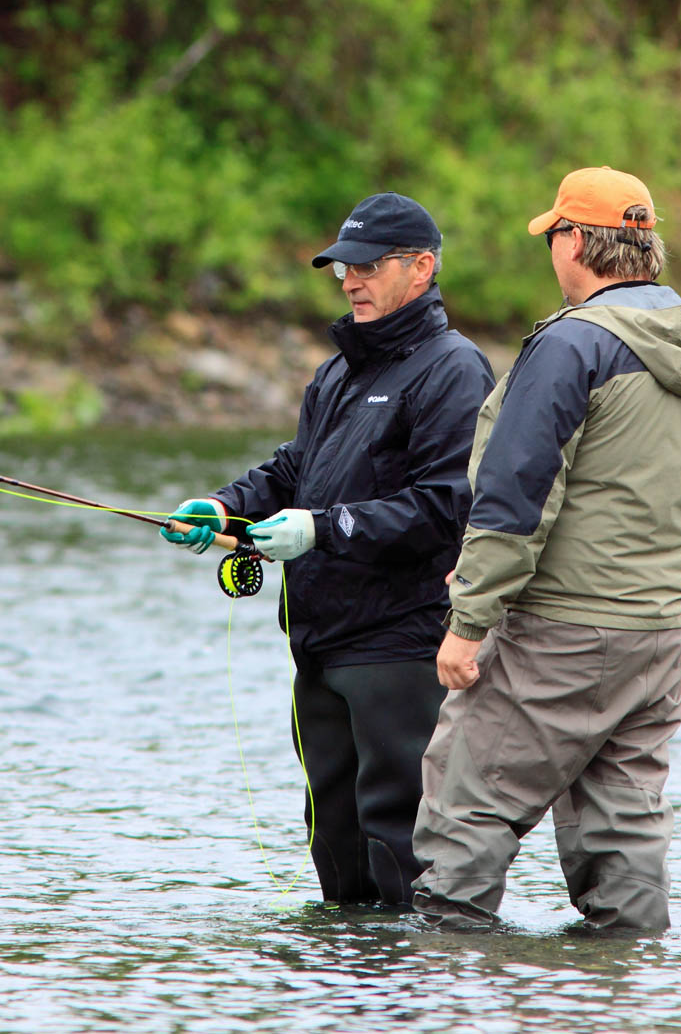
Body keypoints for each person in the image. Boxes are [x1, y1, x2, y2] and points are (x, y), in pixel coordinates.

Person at [412, 166, 681, 931]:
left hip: (559, 634)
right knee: (623, 833)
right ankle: (616, 991)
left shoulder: (572, 346)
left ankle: (440, 992)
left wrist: (468, 620)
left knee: (465, 801)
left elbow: (520, 493)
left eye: (554, 234)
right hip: (658, 637)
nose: (551, 251)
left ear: (579, 242)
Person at [161, 192, 495, 907]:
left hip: (400, 646)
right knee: (334, 840)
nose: (350, 281)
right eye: (343, 267)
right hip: (319, 645)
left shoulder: (453, 369)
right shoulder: (340, 370)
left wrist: (323, 527)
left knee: (398, 839)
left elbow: (449, 505)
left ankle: (413, 995)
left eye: (369, 266)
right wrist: (223, 505)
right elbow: (294, 467)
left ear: (422, 268)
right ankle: (341, 997)